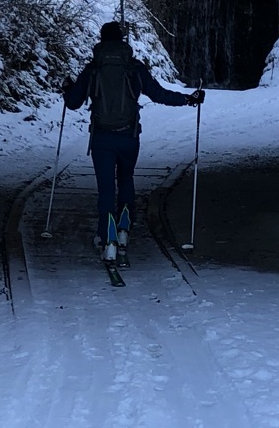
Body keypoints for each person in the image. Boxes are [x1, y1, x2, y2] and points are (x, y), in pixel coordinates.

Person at [61, 21, 203, 266]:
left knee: (106, 189)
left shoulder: (93, 68)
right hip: (129, 137)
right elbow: (159, 94)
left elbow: (73, 103)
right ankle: (124, 228)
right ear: (123, 40)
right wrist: (189, 99)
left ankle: (107, 239)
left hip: (102, 139)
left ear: (101, 40)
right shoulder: (134, 67)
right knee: (125, 179)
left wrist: (67, 88)